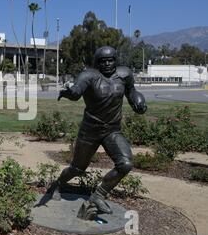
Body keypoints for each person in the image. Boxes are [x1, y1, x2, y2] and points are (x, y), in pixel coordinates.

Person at [38, 46, 147, 214]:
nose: (107, 64)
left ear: (116, 60)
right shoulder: (89, 76)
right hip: (90, 131)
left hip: (112, 131)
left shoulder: (125, 74)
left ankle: (98, 195)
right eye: (103, 61)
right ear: (97, 63)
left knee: (125, 164)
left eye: (110, 60)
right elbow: (76, 92)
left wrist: (138, 101)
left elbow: (132, 91)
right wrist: (69, 92)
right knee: (77, 168)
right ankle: (57, 185)